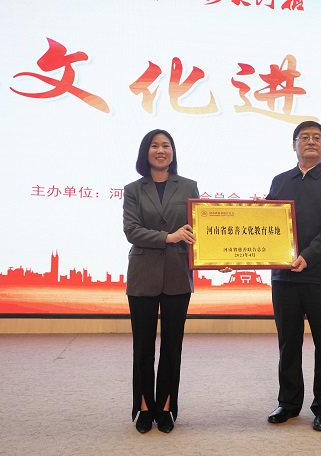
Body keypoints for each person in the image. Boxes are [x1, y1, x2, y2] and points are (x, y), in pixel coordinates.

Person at [266, 120, 321, 431]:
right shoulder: (279, 182)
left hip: (320, 276)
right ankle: (288, 403)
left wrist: (308, 256)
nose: (311, 141)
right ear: (294, 145)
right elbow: (264, 224)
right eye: (304, 137)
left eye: (317, 137)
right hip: (284, 278)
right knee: (288, 343)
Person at [123, 129, 199, 434]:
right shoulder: (133, 189)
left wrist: (216, 258)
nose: (160, 150)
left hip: (178, 274)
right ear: (146, 152)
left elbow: (199, 228)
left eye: (166, 145)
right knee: (142, 346)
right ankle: (144, 407)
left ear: (173, 152)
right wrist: (168, 237)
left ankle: (166, 407)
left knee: (172, 346)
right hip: (142, 274)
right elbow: (131, 230)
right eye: (154, 145)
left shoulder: (189, 186)